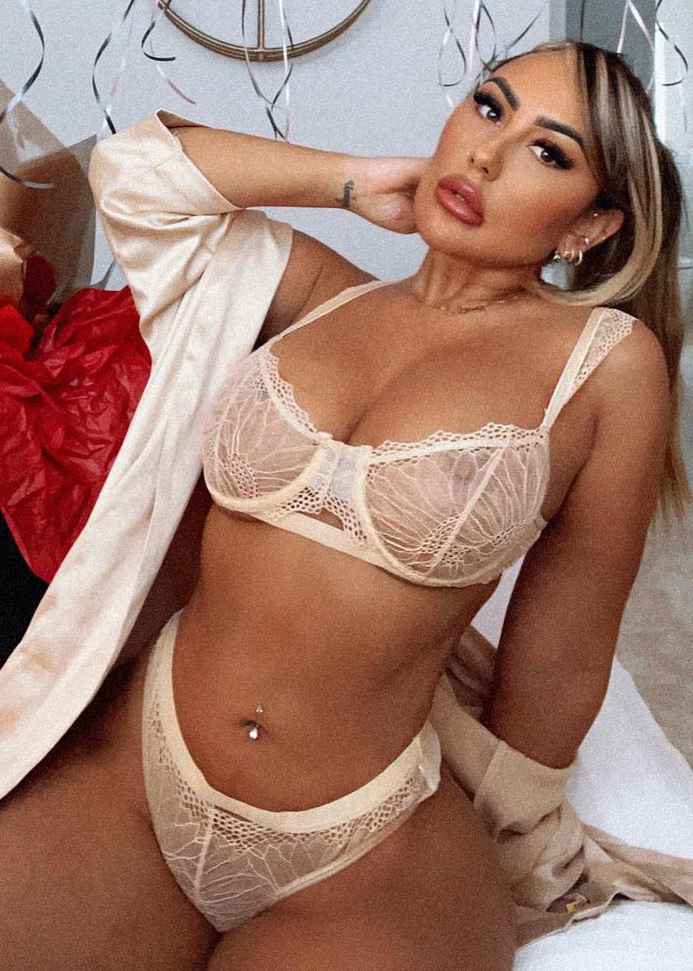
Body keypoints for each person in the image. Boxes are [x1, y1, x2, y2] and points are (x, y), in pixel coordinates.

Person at [0, 37, 690, 971]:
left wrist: (519, 831)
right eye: (489, 106)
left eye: (547, 150)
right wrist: (351, 181)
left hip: (355, 846)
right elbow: (136, 172)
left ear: (590, 225)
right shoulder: (314, 291)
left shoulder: (603, 366)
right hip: (139, 771)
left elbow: (562, 647)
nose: (487, 153)